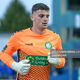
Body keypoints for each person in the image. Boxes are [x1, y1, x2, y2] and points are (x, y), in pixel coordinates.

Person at [0, 3, 65, 80]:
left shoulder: (55, 37)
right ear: (32, 17)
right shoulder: (19, 36)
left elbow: (62, 61)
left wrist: (58, 61)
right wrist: (15, 65)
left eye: (47, 16)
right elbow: (3, 54)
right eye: (41, 16)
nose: (45, 19)